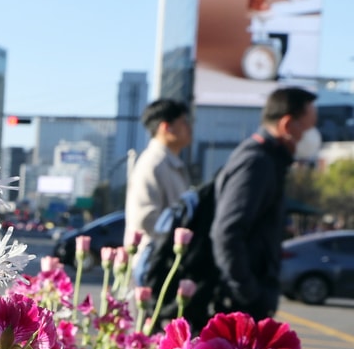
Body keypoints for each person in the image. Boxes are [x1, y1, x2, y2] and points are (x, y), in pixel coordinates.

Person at [211, 86, 318, 320]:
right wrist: (249, 293)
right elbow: (227, 232)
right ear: (287, 125)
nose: (313, 136)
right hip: (238, 307)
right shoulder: (257, 162)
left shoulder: (269, 160)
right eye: (309, 127)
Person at [125, 99, 193, 283]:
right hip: (153, 265)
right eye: (184, 122)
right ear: (166, 127)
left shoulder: (170, 163)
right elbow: (144, 218)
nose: (189, 127)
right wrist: (179, 238)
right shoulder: (152, 164)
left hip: (166, 263)